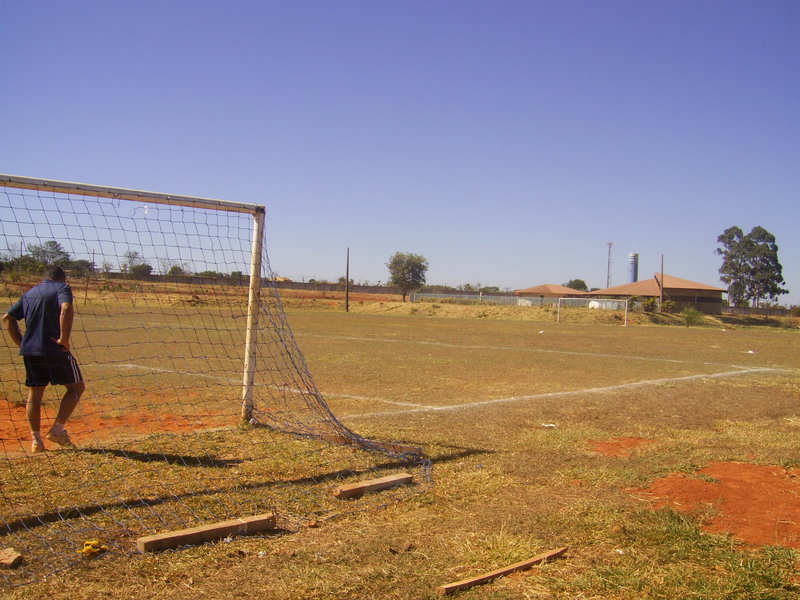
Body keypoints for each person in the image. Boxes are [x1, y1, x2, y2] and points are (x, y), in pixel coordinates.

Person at [2, 265, 85, 453]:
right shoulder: (62, 288)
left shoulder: (31, 292)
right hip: (54, 349)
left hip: (31, 351)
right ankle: (57, 430)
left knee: (35, 395)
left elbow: (8, 317)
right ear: (62, 278)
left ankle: (36, 441)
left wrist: (21, 343)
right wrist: (64, 338)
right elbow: (66, 307)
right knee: (77, 388)